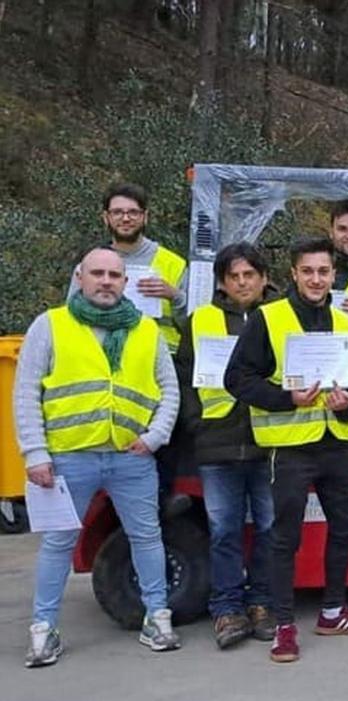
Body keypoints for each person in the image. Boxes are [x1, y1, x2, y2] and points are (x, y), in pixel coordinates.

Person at [17, 247, 181, 668]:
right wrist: (35, 453)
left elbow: (169, 390)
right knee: (58, 543)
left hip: (132, 458)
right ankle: (43, 630)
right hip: (68, 459)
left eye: (114, 275)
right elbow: (26, 394)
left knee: (147, 538)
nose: (106, 281)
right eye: (98, 274)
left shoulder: (146, 330)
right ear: (80, 277)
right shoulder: (50, 325)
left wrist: (156, 437)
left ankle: (157, 618)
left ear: (125, 282)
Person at [225, 236, 348, 663]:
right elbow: (237, 380)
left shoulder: (346, 323)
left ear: (333, 275)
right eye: (308, 271)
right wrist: (285, 398)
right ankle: (285, 625)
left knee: (346, 526)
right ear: (293, 274)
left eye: (324, 271)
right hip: (290, 446)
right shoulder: (268, 319)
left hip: (337, 443)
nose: (316, 279)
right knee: (284, 537)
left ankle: (332, 611)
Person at [175, 242, 278, 649]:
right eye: (233, 276)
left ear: (264, 278)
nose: (242, 282)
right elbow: (183, 379)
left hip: (269, 441)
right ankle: (227, 609)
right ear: (221, 282)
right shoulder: (200, 321)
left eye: (249, 274)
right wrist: (195, 422)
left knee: (270, 528)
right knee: (224, 531)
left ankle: (263, 604)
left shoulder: (280, 318)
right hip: (217, 443)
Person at [69, 183, 191, 510]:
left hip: (158, 367)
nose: (126, 218)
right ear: (105, 217)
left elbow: (196, 323)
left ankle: (162, 503)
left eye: (133, 212)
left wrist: (174, 295)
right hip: (103, 368)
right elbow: (70, 318)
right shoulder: (90, 264)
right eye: (118, 212)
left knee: (165, 439)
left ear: (145, 216)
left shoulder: (172, 263)